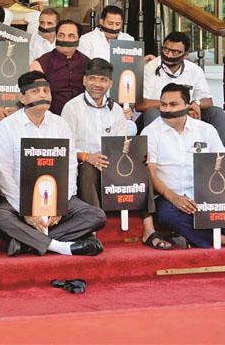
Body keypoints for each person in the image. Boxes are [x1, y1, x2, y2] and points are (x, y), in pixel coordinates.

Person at [0, 71, 106, 257]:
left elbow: (70, 168)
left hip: (56, 198)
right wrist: (27, 210)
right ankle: (59, 246)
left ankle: (25, 241)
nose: (43, 95)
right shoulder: (7, 126)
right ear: (22, 96)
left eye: (46, 90)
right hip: (20, 199)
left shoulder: (60, 124)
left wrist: (60, 206)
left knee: (96, 216)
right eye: (36, 91)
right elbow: (5, 174)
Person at [61, 59, 170, 249]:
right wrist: (87, 156)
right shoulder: (71, 107)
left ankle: (149, 229)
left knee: (142, 164)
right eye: (92, 78)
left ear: (110, 84)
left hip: (113, 168)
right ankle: (91, 231)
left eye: (103, 80)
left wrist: (137, 155)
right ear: (84, 80)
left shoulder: (117, 110)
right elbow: (65, 147)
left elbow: (123, 145)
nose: (97, 84)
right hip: (83, 166)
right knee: (88, 167)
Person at [142, 83, 225, 249]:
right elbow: (151, 174)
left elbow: (224, 168)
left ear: (187, 105)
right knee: (168, 216)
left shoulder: (206, 130)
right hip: (169, 197)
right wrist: (174, 198)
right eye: (163, 104)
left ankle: (193, 236)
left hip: (208, 197)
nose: (167, 109)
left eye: (173, 104)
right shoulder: (151, 132)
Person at [137, 31, 225, 149]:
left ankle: (223, 159)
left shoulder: (195, 70)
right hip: (159, 113)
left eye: (175, 52)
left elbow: (208, 100)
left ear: (185, 55)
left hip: (186, 113)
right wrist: (174, 106)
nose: (169, 55)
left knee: (216, 113)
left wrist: (196, 103)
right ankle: (159, 153)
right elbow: (139, 104)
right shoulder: (150, 67)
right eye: (166, 49)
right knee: (151, 112)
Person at [29, 19, 90, 115]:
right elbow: (34, 100)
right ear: (56, 37)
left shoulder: (87, 63)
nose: (65, 40)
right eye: (61, 35)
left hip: (83, 118)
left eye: (71, 36)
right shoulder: (39, 64)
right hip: (51, 118)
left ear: (78, 39)